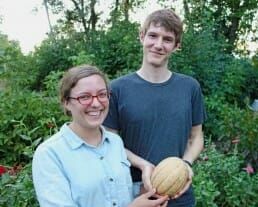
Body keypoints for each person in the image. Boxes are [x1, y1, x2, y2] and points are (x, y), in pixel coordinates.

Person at [103, 9, 207, 207]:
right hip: (135, 194)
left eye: (167, 39)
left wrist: (186, 164)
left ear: (177, 46)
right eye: (153, 36)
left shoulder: (190, 87)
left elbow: (196, 137)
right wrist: (143, 165)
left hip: (179, 194)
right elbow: (110, 142)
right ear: (141, 36)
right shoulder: (117, 89)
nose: (158, 45)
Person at [32, 65, 169, 207]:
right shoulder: (49, 154)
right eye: (84, 97)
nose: (96, 103)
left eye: (102, 94)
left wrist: (152, 192)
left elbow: (119, 194)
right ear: (66, 102)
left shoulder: (115, 142)